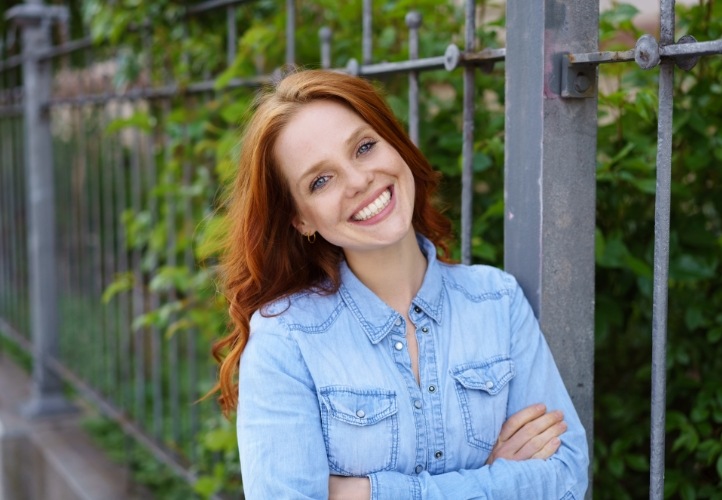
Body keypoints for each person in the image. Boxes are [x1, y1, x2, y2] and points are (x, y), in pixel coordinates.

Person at [212, 69, 589, 499]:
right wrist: (495, 479)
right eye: (320, 180)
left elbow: (567, 478)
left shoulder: (496, 302)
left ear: (396, 144)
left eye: (364, 147)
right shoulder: (287, 339)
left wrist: (364, 493)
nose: (358, 181)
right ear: (301, 220)